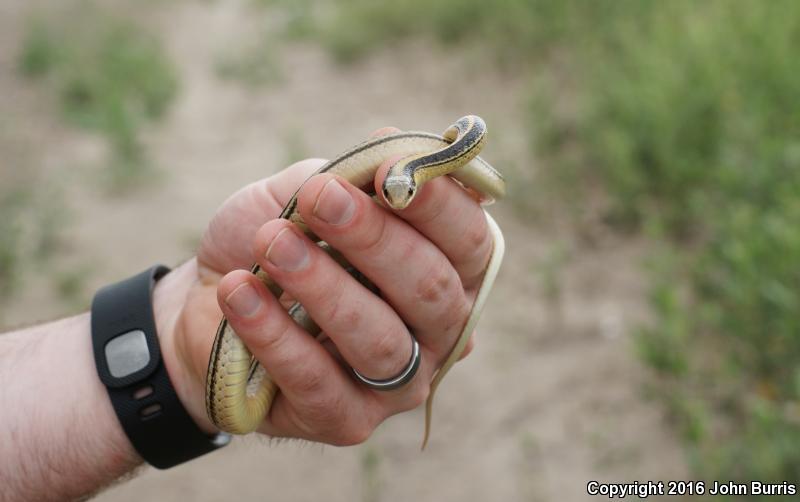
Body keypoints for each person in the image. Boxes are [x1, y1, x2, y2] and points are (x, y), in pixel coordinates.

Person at [0, 127, 496, 500]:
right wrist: (175, 348)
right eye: (395, 191)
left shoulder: (435, 158)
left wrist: (174, 347)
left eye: (400, 192)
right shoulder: (419, 163)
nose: (396, 197)